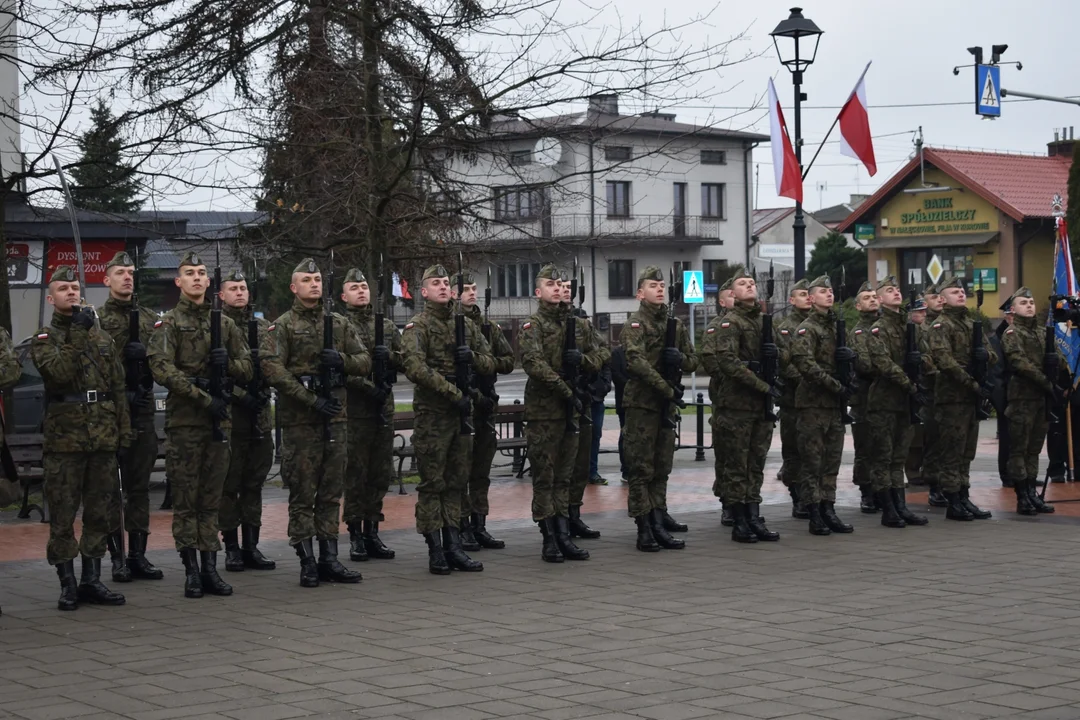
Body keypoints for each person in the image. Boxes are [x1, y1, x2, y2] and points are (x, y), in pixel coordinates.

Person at [149, 251, 252, 598]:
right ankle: (191, 570)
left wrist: (230, 366)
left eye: (202, 273)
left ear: (210, 282)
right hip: (186, 424)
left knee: (212, 499)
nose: (196, 278)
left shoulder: (225, 323)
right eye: (189, 273)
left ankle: (211, 567)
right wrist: (203, 395)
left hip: (218, 424)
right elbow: (162, 369)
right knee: (187, 501)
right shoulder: (170, 323)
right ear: (178, 282)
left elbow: (249, 367)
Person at [263, 258, 369, 587]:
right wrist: (310, 398)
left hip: (335, 420)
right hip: (300, 423)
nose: (314, 284)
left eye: (318, 278)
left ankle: (330, 558)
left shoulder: (338, 323)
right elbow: (272, 369)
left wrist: (342, 360)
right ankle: (307, 560)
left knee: (330, 493)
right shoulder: (283, 325)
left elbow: (364, 361)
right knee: (302, 494)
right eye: (307, 280)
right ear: (294, 287)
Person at [34, 265, 131, 610]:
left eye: (75, 287)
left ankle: (92, 579)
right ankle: (68, 583)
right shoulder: (45, 340)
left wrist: (124, 430)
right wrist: (76, 333)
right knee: (62, 514)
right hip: (65, 442)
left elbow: (117, 387)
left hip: (102, 437)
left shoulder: (102, 339)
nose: (71, 292)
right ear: (51, 298)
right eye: (63, 288)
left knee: (100, 513)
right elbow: (59, 374)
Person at [400, 264, 494, 574]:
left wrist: (472, 359)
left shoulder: (464, 325)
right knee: (433, 484)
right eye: (435, 283)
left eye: (444, 282)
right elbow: (415, 368)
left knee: (456, 483)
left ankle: (454, 545)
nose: (442, 287)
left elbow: (491, 360)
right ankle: (435, 548)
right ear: (424, 292)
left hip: (460, 417)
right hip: (434, 417)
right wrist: (454, 393)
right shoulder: (418, 326)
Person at [520, 265, 602, 562]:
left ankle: (565, 533)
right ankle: (549, 537)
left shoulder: (578, 325)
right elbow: (533, 363)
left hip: (573, 410)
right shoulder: (533, 325)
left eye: (560, 284)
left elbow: (603, 352)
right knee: (546, 476)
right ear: (538, 292)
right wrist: (566, 390)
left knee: (565, 477)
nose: (557, 288)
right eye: (550, 284)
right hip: (545, 412)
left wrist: (583, 360)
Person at [97, 251, 163, 583]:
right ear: (106, 279)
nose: (127, 277)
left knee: (139, 488)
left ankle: (138, 555)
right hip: (111, 412)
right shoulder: (95, 320)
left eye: (131, 272)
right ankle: (117, 557)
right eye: (120, 272)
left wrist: (147, 368)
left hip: (141, 411)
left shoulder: (150, 318)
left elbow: (166, 362)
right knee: (111, 489)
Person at [700, 267, 779, 543]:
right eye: (743, 284)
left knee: (755, 463)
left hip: (760, 406)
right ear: (732, 294)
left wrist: (776, 354)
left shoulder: (763, 320)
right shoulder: (729, 323)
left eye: (751, 283)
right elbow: (727, 362)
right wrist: (761, 385)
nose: (749, 286)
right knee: (736, 463)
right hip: (737, 405)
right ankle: (739, 518)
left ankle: (754, 514)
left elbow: (785, 354)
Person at [620, 266, 697, 551]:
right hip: (643, 404)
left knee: (662, 468)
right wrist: (665, 388)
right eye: (653, 285)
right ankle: (643, 527)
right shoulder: (635, 325)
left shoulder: (673, 325)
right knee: (641, 468)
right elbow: (635, 362)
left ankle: (658, 520)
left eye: (662, 285)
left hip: (666, 406)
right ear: (640, 293)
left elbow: (693, 360)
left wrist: (678, 359)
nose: (660, 289)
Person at [341, 268, 402, 561]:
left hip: (382, 410)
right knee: (356, 474)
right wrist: (367, 387)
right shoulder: (339, 325)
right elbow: (338, 369)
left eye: (364, 286)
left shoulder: (387, 326)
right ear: (343, 295)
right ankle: (355, 534)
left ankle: (373, 531)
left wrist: (388, 358)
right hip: (356, 411)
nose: (361, 291)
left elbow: (405, 360)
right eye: (354, 287)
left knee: (379, 474)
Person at [218, 269, 276, 571]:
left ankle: (252, 546)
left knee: (254, 483)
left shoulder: (263, 326)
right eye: (233, 288)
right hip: (232, 416)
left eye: (243, 288)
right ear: (221, 294)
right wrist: (241, 395)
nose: (240, 293)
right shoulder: (218, 326)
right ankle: (231, 547)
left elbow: (273, 364)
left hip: (260, 417)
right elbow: (218, 370)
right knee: (230, 484)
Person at [926, 274, 996, 521]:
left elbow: (991, 354)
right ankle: (952, 500)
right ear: (942, 300)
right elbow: (943, 359)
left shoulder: (971, 323)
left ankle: (964, 496)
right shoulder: (941, 325)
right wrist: (970, 381)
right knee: (952, 450)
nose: (961, 293)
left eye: (962, 291)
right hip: (952, 397)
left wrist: (983, 358)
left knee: (967, 451)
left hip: (970, 397)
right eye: (954, 292)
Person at [452, 271, 514, 550]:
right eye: (465, 288)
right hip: (463, 406)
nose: (471, 292)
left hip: (486, 406)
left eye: (474, 288)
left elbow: (508, 361)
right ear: (454, 293)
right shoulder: (452, 325)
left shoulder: (489, 327)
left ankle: (480, 524)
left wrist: (483, 365)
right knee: (461, 471)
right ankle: (462, 525)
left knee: (481, 471)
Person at [790, 275, 855, 536]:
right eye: (822, 291)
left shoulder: (838, 327)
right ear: (810, 297)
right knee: (812, 462)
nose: (828, 295)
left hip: (834, 406)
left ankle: (829, 508)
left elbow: (852, 358)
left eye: (830, 291)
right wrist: (835, 385)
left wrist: (850, 359)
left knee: (831, 461)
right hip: (813, 405)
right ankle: (814, 511)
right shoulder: (807, 329)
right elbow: (805, 364)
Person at [864, 276, 929, 528]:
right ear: (880, 299)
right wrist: (910, 385)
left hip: (906, 402)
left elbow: (927, 356)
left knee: (899, 457)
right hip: (885, 401)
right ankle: (888, 508)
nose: (896, 293)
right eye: (889, 290)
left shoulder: (909, 326)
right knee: (883, 457)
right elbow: (884, 365)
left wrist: (921, 365)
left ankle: (901, 506)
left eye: (897, 289)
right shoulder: (877, 329)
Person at [1000, 287, 1058, 515]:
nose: (1030, 306)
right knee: (1019, 451)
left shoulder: (1043, 333)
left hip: (1041, 401)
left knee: (1034, 450)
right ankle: (1022, 495)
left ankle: (1033, 494)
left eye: (1032, 302)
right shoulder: (1012, 334)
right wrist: (1046, 381)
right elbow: (1019, 362)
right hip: (1022, 399)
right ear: (1013, 309)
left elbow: (1057, 356)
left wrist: (1060, 364)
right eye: (1024, 303)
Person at [565, 305, 611, 540]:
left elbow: (604, 353)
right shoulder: (538, 326)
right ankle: (557, 526)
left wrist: (585, 362)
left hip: (587, 399)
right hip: (558, 406)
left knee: (582, 462)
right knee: (560, 470)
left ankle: (574, 515)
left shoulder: (586, 328)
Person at [775, 278, 811, 519]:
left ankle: (812, 496)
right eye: (802, 294)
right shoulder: (786, 328)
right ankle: (797, 496)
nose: (807, 297)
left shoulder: (819, 325)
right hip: (793, 399)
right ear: (792, 300)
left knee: (814, 451)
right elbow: (785, 363)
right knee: (794, 451)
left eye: (809, 293)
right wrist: (809, 379)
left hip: (815, 401)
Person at [847, 281, 881, 514]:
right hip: (865, 398)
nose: (873, 299)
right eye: (867, 297)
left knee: (884, 447)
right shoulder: (859, 332)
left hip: (886, 398)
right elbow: (866, 365)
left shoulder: (885, 327)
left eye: (874, 296)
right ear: (858, 306)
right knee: (866, 448)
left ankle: (882, 489)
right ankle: (866, 492)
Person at [920, 283, 948, 508]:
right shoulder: (923, 328)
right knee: (935, 441)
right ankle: (935, 486)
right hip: (933, 390)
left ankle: (952, 485)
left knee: (953, 443)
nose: (939, 300)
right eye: (934, 296)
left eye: (941, 296)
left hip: (953, 393)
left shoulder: (948, 324)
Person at [990, 298, 1014, 487]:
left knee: (1024, 440)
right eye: (1012, 314)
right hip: (1007, 397)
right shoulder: (997, 338)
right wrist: (1001, 403)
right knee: (1007, 438)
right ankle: (1007, 474)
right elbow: (996, 374)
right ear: (1007, 315)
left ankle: (1022, 474)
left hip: (1024, 397)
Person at [611, 344, 629, 482]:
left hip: (644, 401)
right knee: (625, 434)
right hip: (625, 402)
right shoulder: (617, 353)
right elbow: (616, 375)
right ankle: (626, 469)